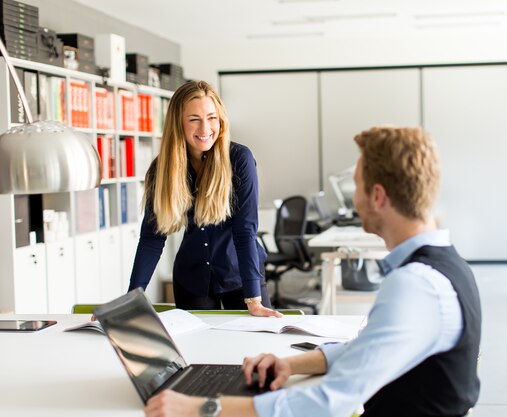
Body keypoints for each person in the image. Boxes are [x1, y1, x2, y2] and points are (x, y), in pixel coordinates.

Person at [144, 126, 482, 417]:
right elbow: (366, 348)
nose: (354, 201)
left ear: (378, 196)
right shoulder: (444, 268)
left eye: (358, 186)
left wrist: (203, 407)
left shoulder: (414, 285)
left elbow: (329, 401)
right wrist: (290, 365)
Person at [127, 80, 281, 318]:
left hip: (241, 275)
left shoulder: (239, 159)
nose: (205, 128)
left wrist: (253, 299)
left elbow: (245, 231)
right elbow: (151, 239)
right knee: (196, 350)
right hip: (192, 278)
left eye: (212, 117)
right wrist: (132, 298)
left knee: (252, 347)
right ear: (178, 123)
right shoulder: (163, 169)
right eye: (194, 119)